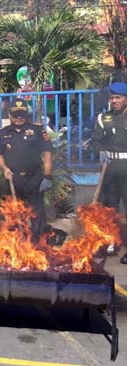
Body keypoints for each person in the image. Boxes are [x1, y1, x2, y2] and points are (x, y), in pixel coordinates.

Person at [0, 98, 53, 240]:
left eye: (22, 114)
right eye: (15, 114)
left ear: (26, 114)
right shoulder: (2, 134)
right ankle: (17, 243)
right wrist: (4, 168)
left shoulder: (37, 131)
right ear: (9, 115)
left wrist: (48, 176)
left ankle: (37, 243)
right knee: (13, 213)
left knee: (36, 214)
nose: (19, 117)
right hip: (12, 179)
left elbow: (47, 153)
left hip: (34, 179)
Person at [91, 81, 127, 263]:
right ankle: (110, 243)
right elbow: (95, 141)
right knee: (109, 209)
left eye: (118, 97)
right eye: (112, 98)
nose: (114, 101)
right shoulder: (103, 118)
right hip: (110, 167)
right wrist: (100, 151)